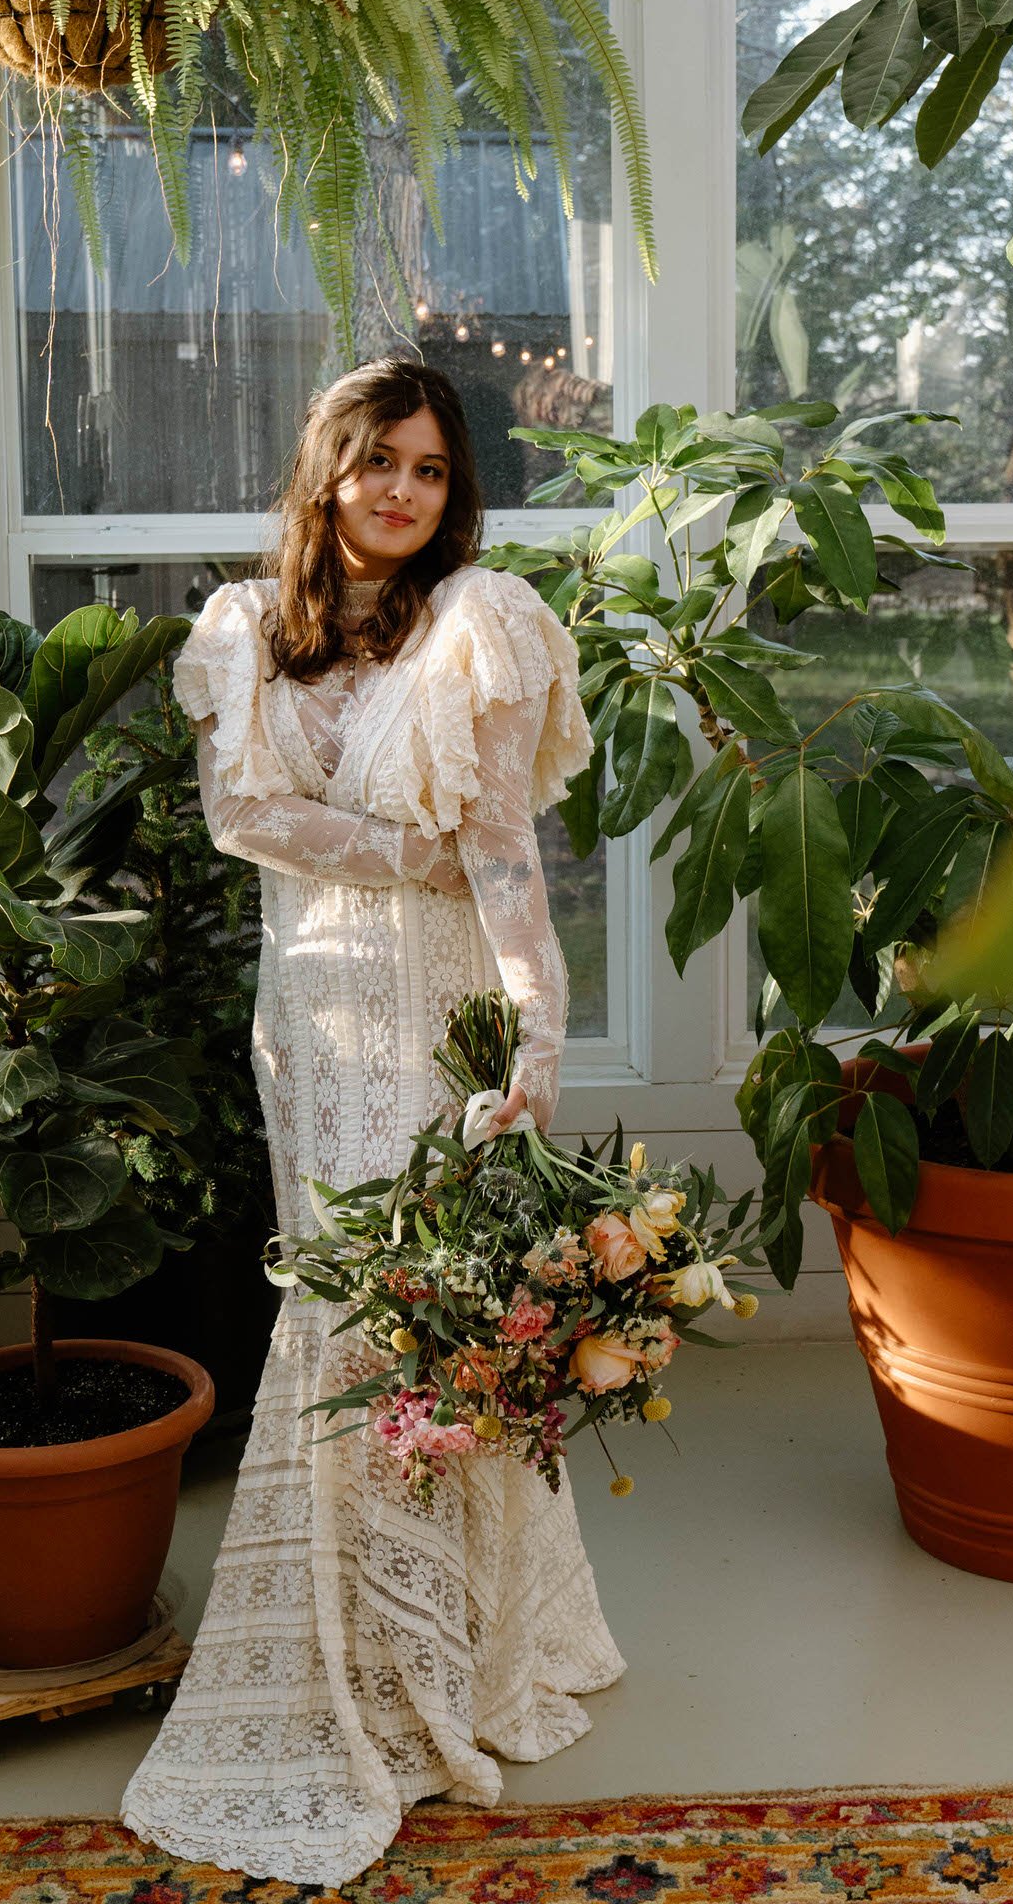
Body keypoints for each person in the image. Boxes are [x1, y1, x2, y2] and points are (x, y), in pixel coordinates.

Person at [121, 358, 624, 1885]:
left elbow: (504, 853)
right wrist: (405, 848)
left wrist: (537, 1034)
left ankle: (455, 1652)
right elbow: (242, 815)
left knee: (433, 1308)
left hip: (439, 1011)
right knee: (340, 1289)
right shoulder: (244, 632)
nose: (401, 490)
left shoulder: (483, 622)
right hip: (315, 1012)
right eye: (375, 462)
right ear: (326, 473)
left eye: (426, 466)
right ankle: (349, 1629)